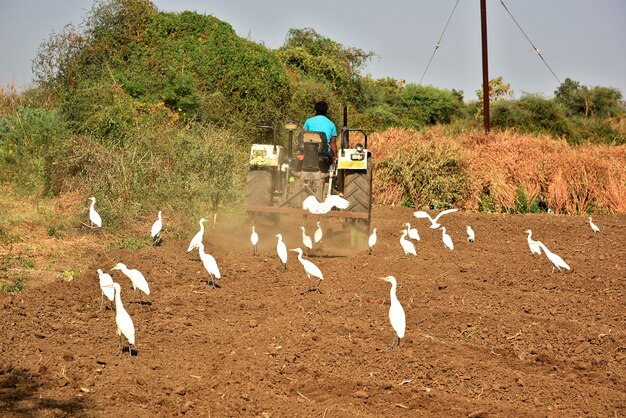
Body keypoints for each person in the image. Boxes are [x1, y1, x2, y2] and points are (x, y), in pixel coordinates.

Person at [303, 101, 338, 166]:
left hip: (309, 151)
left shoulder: (308, 121)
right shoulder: (331, 124)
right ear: (326, 111)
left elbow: (303, 137)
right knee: (331, 165)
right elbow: (333, 143)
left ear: (315, 110)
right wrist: (335, 156)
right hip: (325, 153)